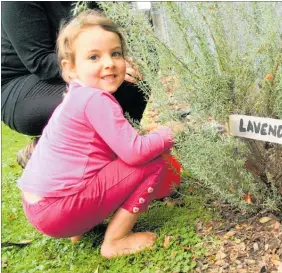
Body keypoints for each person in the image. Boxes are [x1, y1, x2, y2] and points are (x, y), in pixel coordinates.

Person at [17, 10, 179, 258]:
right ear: (70, 68)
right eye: (94, 56)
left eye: (116, 53)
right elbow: (135, 153)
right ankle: (116, 240)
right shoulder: (96, 99)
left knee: (115, 159)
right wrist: (170, 132)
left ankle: (79, 228)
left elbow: (107, 147)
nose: (109, 63)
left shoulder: (75, 95)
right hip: (59, 212)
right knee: (152, 163)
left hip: (38, 207)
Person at [1, 2, 146, 168]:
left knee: (134, 80)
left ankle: (118, 150)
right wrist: (100, 69)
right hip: (20, 86)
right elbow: (39, 61)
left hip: (82, 66)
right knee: (94, 101)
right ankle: (44, 152)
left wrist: (128, 61)